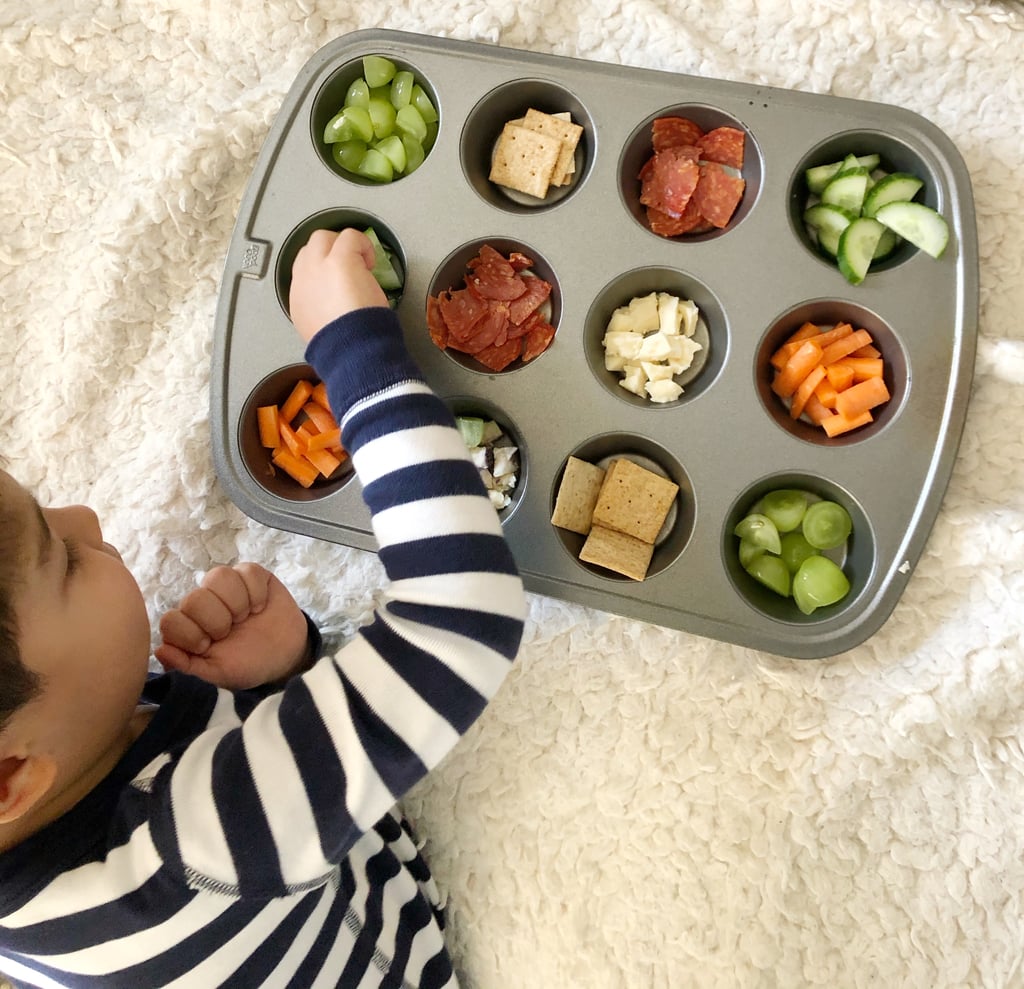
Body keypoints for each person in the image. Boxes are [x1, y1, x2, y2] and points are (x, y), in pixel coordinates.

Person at [0, 228, 527, 987]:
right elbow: (462, 617)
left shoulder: (57, 767)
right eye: (66, 558)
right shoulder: (197, 846)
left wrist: (281, 682)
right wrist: (354, 351)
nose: (87, 515)